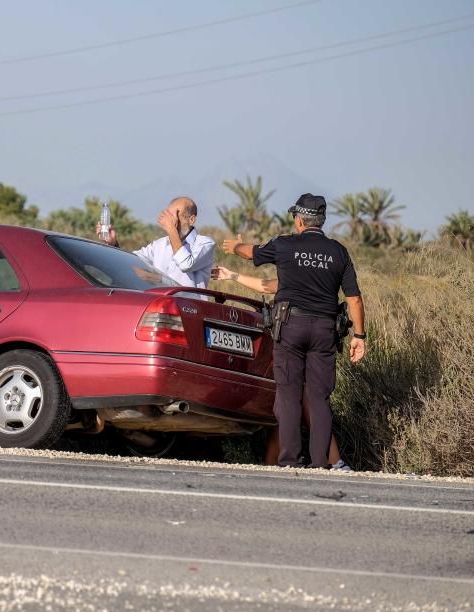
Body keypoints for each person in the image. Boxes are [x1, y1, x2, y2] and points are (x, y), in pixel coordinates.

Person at [222, 193, 366, 468]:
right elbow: (354, 299)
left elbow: (252, 252)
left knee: (287, 395)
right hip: (325, 329)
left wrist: (236, 246)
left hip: (290, 326)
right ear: (320, 221)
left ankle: (289, 460)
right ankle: (321, 463)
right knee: (319, 397)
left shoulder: (284, 245)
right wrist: (359, 336)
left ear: (299, 220)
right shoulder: (339, 252)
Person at [211, 265, 352, 471]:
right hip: (317, 343)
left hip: (291, 344)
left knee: (292, 404)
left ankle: (324, 460)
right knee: (299, 403)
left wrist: (232, 275)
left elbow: (265, 286)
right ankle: (329, 460)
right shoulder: (323, 280)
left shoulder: (293, 278)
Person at [97, 196, 215, 288]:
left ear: (191, 219)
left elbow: (186, 264)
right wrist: (113, 244)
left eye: (177, 215)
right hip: (160, 307)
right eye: (169, 216)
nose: (172, 221)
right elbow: (130, 261)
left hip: (190, 310)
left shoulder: (204, 244)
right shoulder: (160, 245)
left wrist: (171, 229)